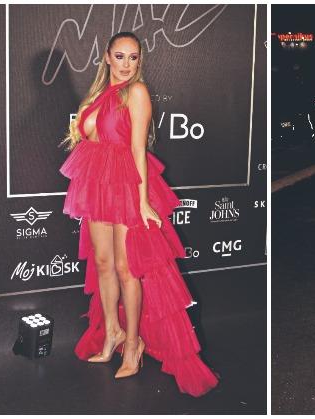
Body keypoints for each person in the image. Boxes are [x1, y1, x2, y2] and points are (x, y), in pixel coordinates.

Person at [59, 32, 218, 397]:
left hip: (127, 187)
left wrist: (143, 200)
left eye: (133, 57)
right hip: (98, 186)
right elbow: (89, 142)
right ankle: (112, 332)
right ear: (107, 57)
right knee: (102, 263)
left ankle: (133, 344)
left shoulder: (137, 92)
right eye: (120, 56)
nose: (127, 64)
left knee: (126, 267)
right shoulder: (97, 96)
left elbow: (137, 150)